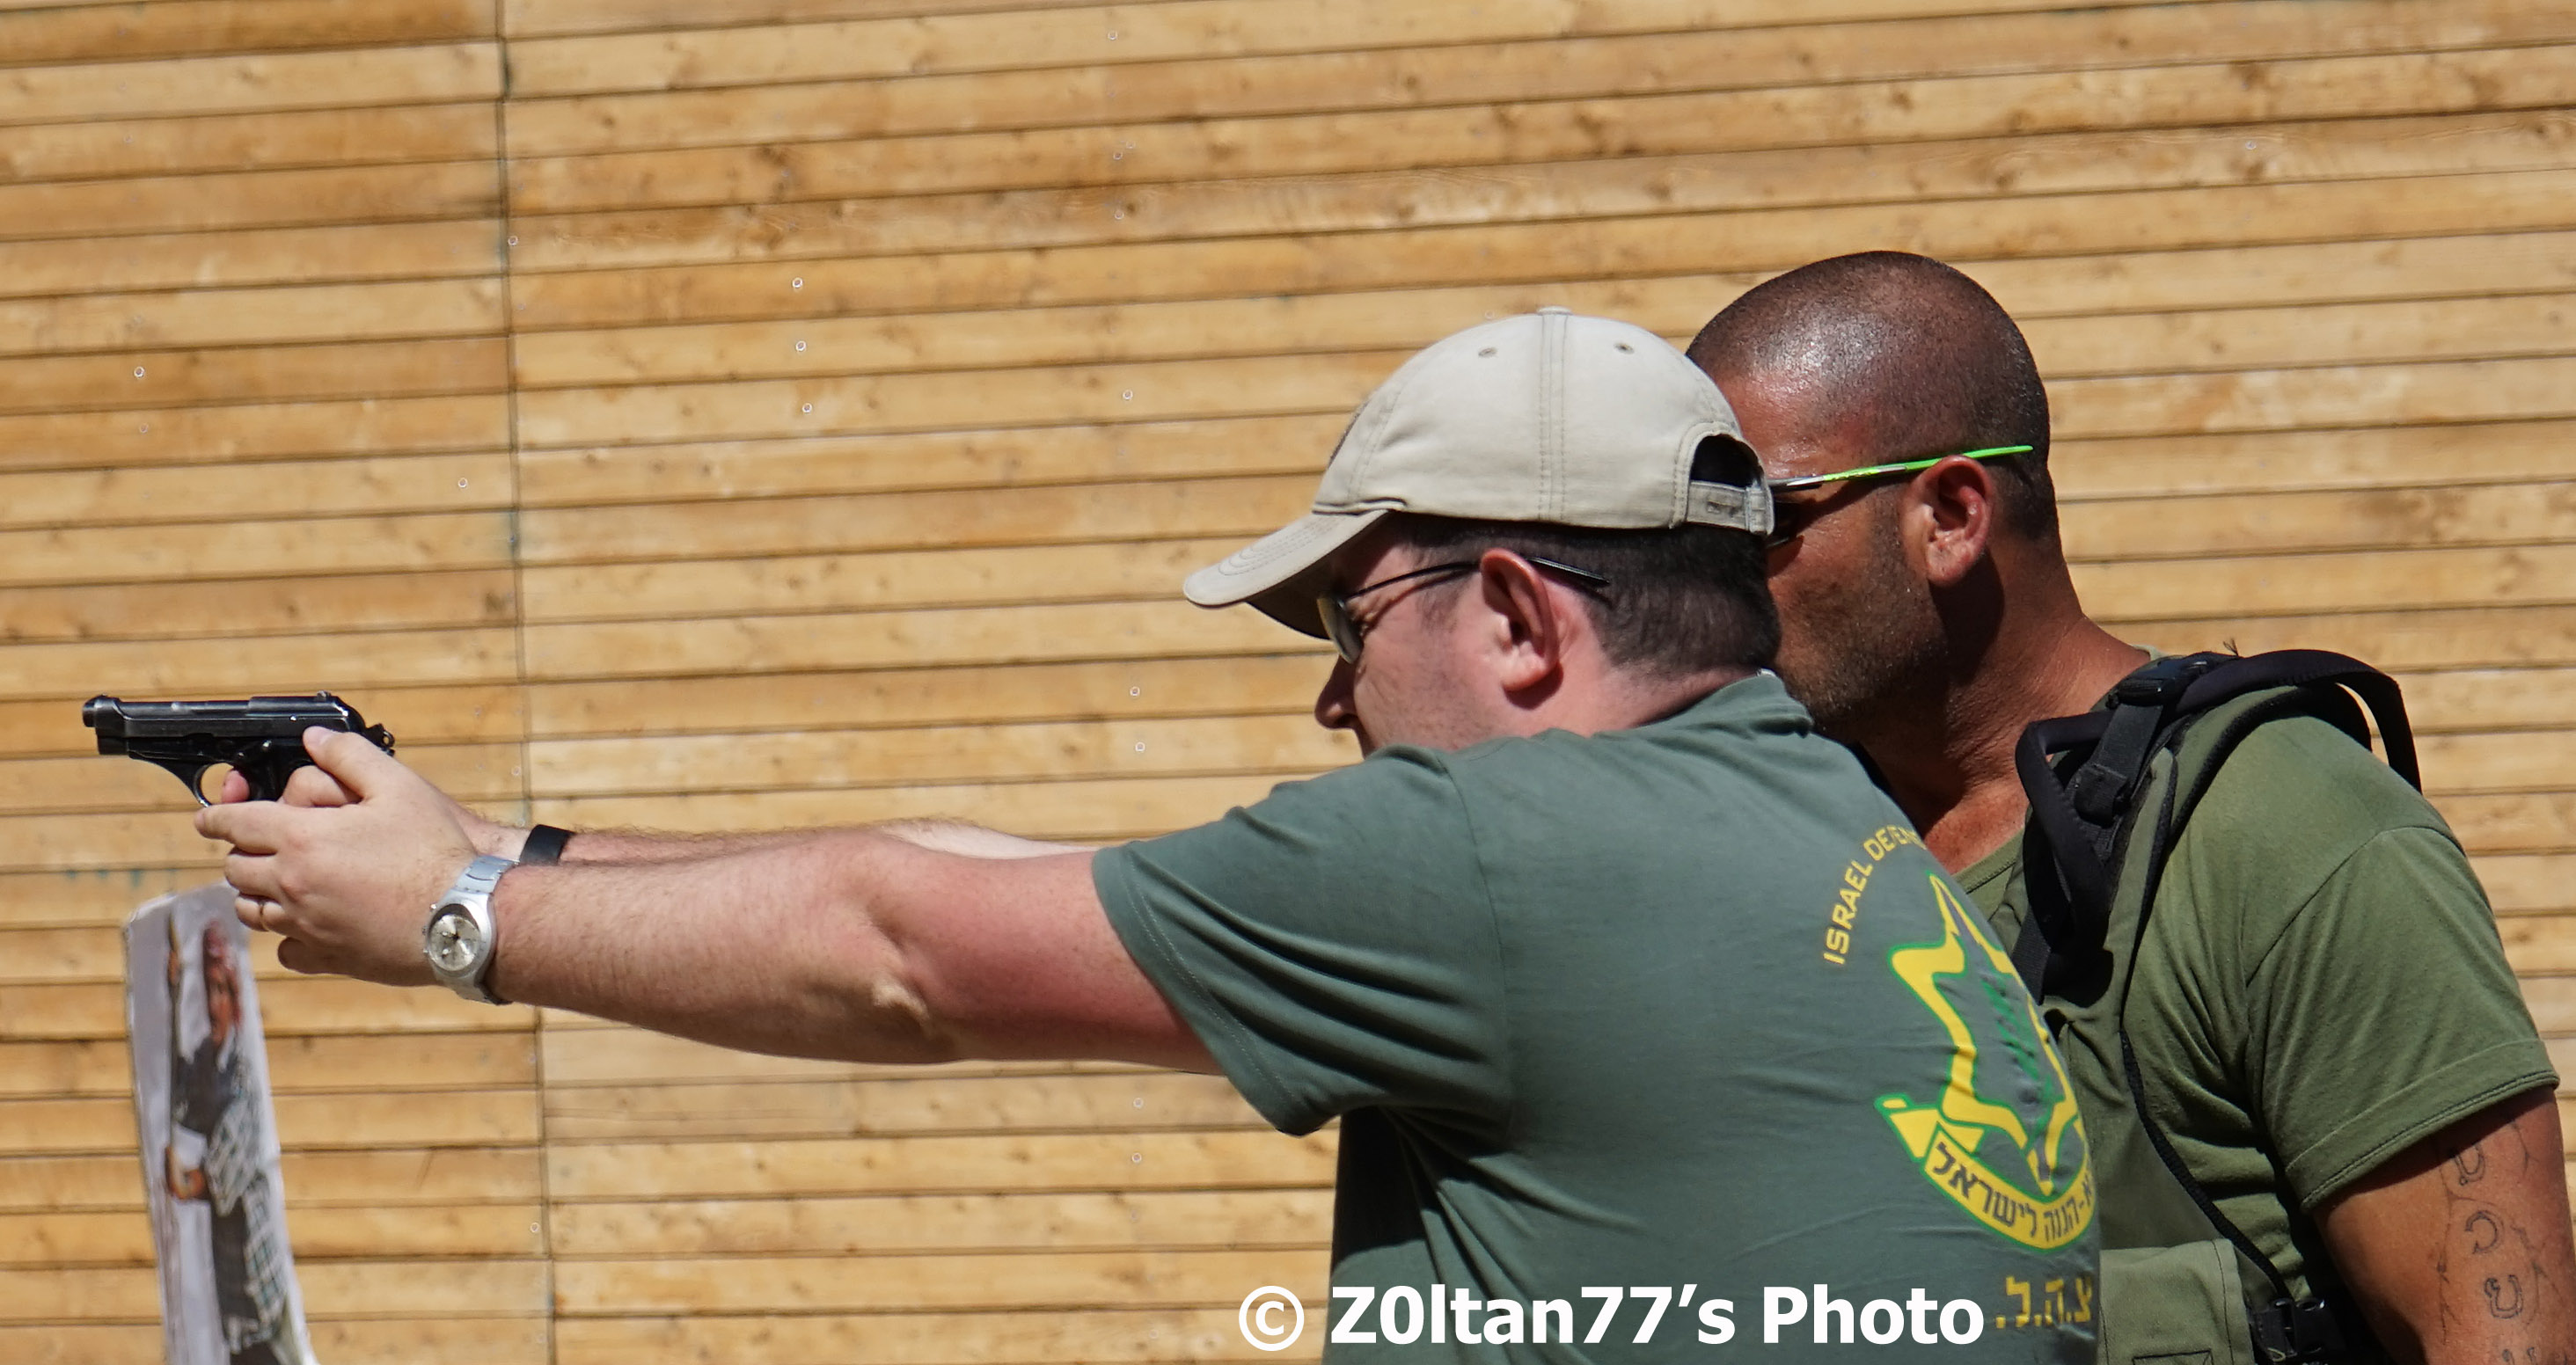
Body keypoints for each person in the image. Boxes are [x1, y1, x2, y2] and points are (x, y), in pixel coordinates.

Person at [198, 309, 2097, 1361]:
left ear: (1520, 618)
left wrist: (454, 916)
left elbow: (904, 950)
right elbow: (986, 876)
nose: (1336, 699)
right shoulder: (1798, 814)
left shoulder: (1505, 853)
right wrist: (501, 842)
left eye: (1352, 619)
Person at [1687, 252, 2573, 1365]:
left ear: (1950, 515)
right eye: (1685, 540)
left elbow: (2502, 1339)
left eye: (1756, 523)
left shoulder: (2290, 838)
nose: (1707, 584)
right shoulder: (1766, 857)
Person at [165, 921, 300, 1365]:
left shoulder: (242, 1077)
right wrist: (172, 998)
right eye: (208, 990)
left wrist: (176, 1170)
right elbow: (180, 1099)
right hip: (234, 1304)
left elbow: (201, 1184)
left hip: (263, 1299)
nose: (213, 1006)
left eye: (222, 991)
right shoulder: (212, 1061)